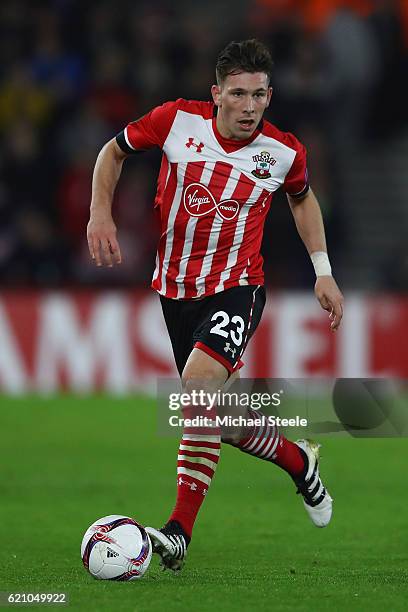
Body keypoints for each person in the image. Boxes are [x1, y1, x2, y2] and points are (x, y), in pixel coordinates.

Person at [87, 39, 344, 571]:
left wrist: (323, 271)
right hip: (174, 289)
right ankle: (299, 462)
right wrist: (100, 215)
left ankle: (178, 531)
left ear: (269, 95)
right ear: (216, 94)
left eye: (258, 95)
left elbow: (301, 197)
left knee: (198, 392)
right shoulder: (175, 121)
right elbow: (112, 152)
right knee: (215, 415)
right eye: (238, 94)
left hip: (237, 286)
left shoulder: (284, 151)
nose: (249, 107)